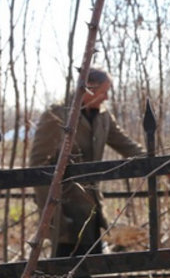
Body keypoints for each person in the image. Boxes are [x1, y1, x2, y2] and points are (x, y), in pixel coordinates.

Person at [29, 67, 144, 259]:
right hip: (64, 211)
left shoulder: (103, 116)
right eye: (104, 91)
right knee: (65, 267)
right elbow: (37, 168)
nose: (107, 97)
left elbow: (127, 145)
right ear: (88, 88)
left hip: (92, 211)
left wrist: (161, 164)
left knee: (90, 265)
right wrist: (52, 215)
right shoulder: (57, 115)